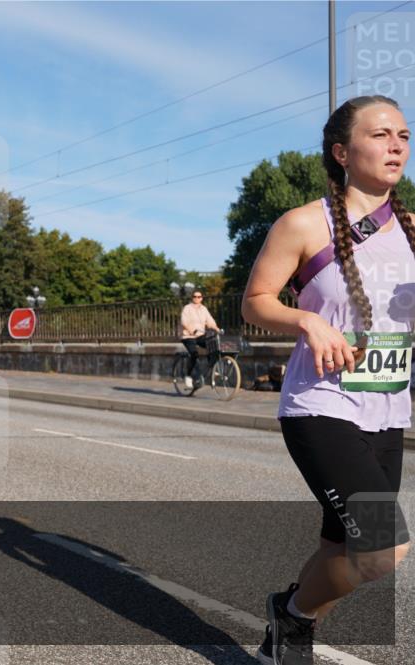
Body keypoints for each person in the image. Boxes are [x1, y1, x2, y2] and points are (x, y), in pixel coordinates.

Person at [242, 96, 410, 665]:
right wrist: (307, 321)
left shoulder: (413, 230)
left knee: (341, 545)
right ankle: (293, 613)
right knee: (382, 548)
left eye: (404, 136)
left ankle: (288, 634)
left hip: (388, 410)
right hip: (321, 405)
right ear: (341, 152)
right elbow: (255, 302)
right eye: (381, 134)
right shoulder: (303, 223)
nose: (396, 145)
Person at [180, 290, 221, 388]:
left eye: (199, 297)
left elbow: (210, 321)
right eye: (194, 296)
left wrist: (216, 328)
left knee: (212, 344)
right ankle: (188, 376)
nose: (196, 298)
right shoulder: (187, 308)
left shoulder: (204, 309)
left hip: (199, 335)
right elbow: (183, 321)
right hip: (188, 336)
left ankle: (212, 367)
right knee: (194, 354)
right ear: (192, 298)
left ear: (202, 298)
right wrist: (190, 330)